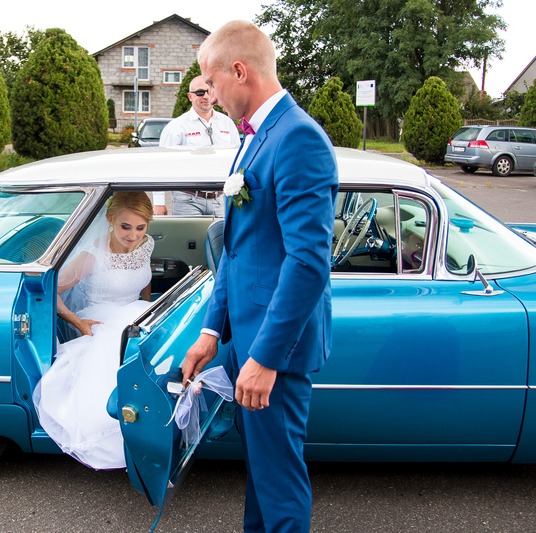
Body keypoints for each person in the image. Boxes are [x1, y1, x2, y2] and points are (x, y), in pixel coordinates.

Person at [181, 20, 339, 533]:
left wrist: (266, 359)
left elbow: (308, 261)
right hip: (244, 341)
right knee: (261, 476)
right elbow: (237, 247)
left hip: (275, 353)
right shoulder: (253, 137)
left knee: (279, 482)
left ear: (240, 71)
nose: (209, 94)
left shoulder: (298, 139)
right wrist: (211, 331)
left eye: (211, 83)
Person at [33, 191, 155, 470]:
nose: (133, 235)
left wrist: (148, 308)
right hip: (99, 318)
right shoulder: (92, 256)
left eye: (140, 227)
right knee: (118, 347)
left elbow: (143, 280)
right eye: (125, 226)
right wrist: (78, 323)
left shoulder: (146, 244)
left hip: (135, 312)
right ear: (110, 220)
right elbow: (51, 291)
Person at [155, 75, 240, 216]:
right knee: (191, 232)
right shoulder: (177, 126)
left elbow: (237, 160)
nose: (206, 96)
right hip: (187, 199)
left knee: (220, 232)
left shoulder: (227, 123)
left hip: (220, 199)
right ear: (190, 96)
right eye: (200, 92)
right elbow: (161, 164)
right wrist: (159, 202)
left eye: (209, 91)